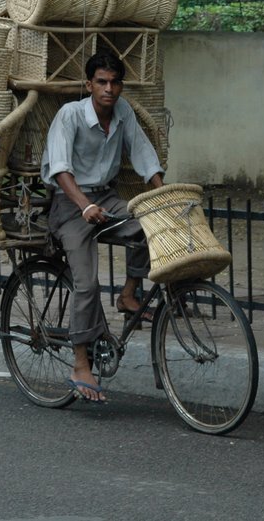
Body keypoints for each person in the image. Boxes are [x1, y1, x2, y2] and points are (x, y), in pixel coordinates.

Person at [41, 49, 164, 403]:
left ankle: (128, 294)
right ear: (89, 85)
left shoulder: (122, 112)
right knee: (86, 282)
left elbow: (143, 153)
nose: (109, 89)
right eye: (101, 82)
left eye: (114, 82)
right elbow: (61, 169)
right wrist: (84, 205)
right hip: (70, 204)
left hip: (105, 199)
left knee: (146, 224)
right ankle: (80, 363)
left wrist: (162, 194)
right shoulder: (70, 116)